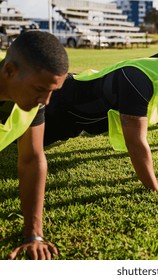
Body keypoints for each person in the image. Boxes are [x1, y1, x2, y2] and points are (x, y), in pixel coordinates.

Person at [43, 33, 158, 193]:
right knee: (20, 140)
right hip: (57, 104)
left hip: (77, 122)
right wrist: (156, 189)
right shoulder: (139, 78)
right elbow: (135, 141)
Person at [0, 31, 69, 259]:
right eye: (41, 90)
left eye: (52, 91)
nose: (47, 101)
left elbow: (32, 159)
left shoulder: (33, 98)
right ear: (9, 71)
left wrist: (34, 234)